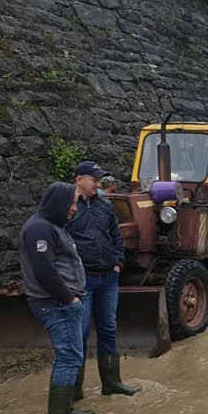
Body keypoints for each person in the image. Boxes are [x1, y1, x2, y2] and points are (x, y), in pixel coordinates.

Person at [20, 182, 94, 414]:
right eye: (72, 203)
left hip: (62, 302)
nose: (74, 208)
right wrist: (69, 299)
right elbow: (44, 270)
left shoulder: (52, 226)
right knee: (67, 357)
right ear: (59, 203)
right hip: (55, 304)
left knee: (72, 355)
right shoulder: (39, 228)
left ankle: (67, 410)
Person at [67, 161, 140, 401]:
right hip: (83, 279)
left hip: (109, 277)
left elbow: (116, 235)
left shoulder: (105, 205)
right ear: (79, 179)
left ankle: (112, 382)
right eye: (94, 179)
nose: (98, 184)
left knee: (108, 328)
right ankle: (75, 392)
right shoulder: (67, 207)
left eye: (99, 180)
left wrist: (118, 262)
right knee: (81, 332)